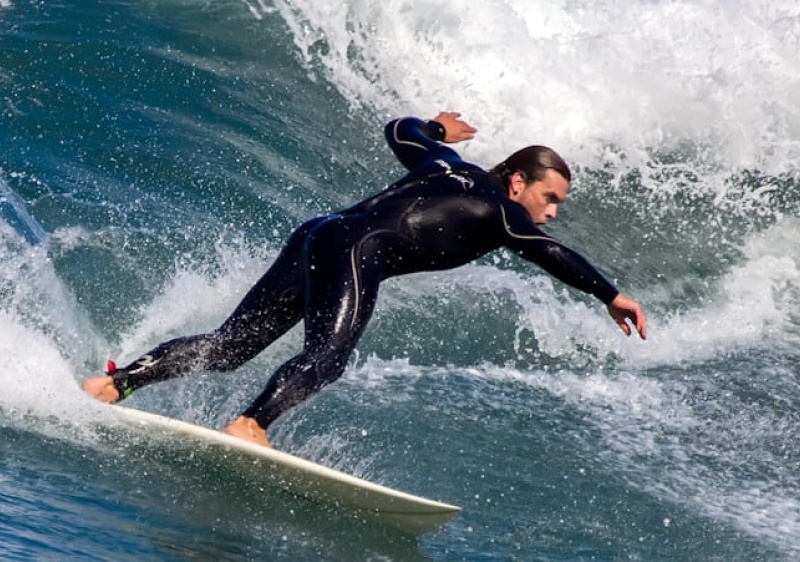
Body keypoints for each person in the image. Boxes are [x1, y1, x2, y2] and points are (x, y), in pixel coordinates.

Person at [82, 111, 647, 447]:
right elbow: (548, 251)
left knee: (229, 346)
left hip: (316, 234)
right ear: (518, 181)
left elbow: (399, 129)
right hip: (355, 252)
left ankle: (114, 384)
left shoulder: (447, 165)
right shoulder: (503, 212)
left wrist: (437, 127)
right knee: (327, 358)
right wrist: (610, 293)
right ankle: (251, 424)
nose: (548, 212)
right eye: (548, 198)